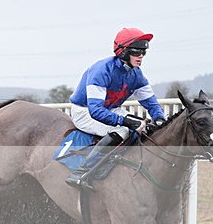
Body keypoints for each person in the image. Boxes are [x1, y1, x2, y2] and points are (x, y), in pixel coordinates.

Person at [65, 27, 167, 189]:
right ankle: (81, 172)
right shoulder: (101, 71)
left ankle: (118, 160)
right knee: (123, 130)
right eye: (136, 51)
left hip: (110, 109)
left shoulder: (136, 74)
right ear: (123, 51)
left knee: (141, 126)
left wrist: (160, 118)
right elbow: (95, 111)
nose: (141, 55)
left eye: (144, 52)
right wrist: (125, 121)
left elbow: (151, 103)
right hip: (85, 111)